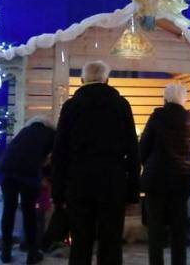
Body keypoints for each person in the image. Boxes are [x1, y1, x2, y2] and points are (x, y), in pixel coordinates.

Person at [52, 61, 140, 265]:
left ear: (82, 80)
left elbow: (60, 152)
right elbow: (133, 150)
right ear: (106, 80)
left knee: (81, 244)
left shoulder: (71, 107)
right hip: (113, 183)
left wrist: (58, 193)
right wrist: (133, 191)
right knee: (111, 244)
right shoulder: (121, 105)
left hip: (78, 184)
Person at [140, 84, 190, 265]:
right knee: (178, 233)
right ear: (183, 99)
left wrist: (148, 164)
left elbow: (143, 148)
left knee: (155, 233)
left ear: (165, 99)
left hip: (156, 181)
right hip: (180, 181)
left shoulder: (157, 117)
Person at [0, 116, 55, 264]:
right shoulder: (51, 134)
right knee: (29, 211)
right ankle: (32, 253)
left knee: (8, 209)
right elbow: (50, 159)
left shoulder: (24, 131)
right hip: (28, 173)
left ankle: (6, 252)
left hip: (7, 169)